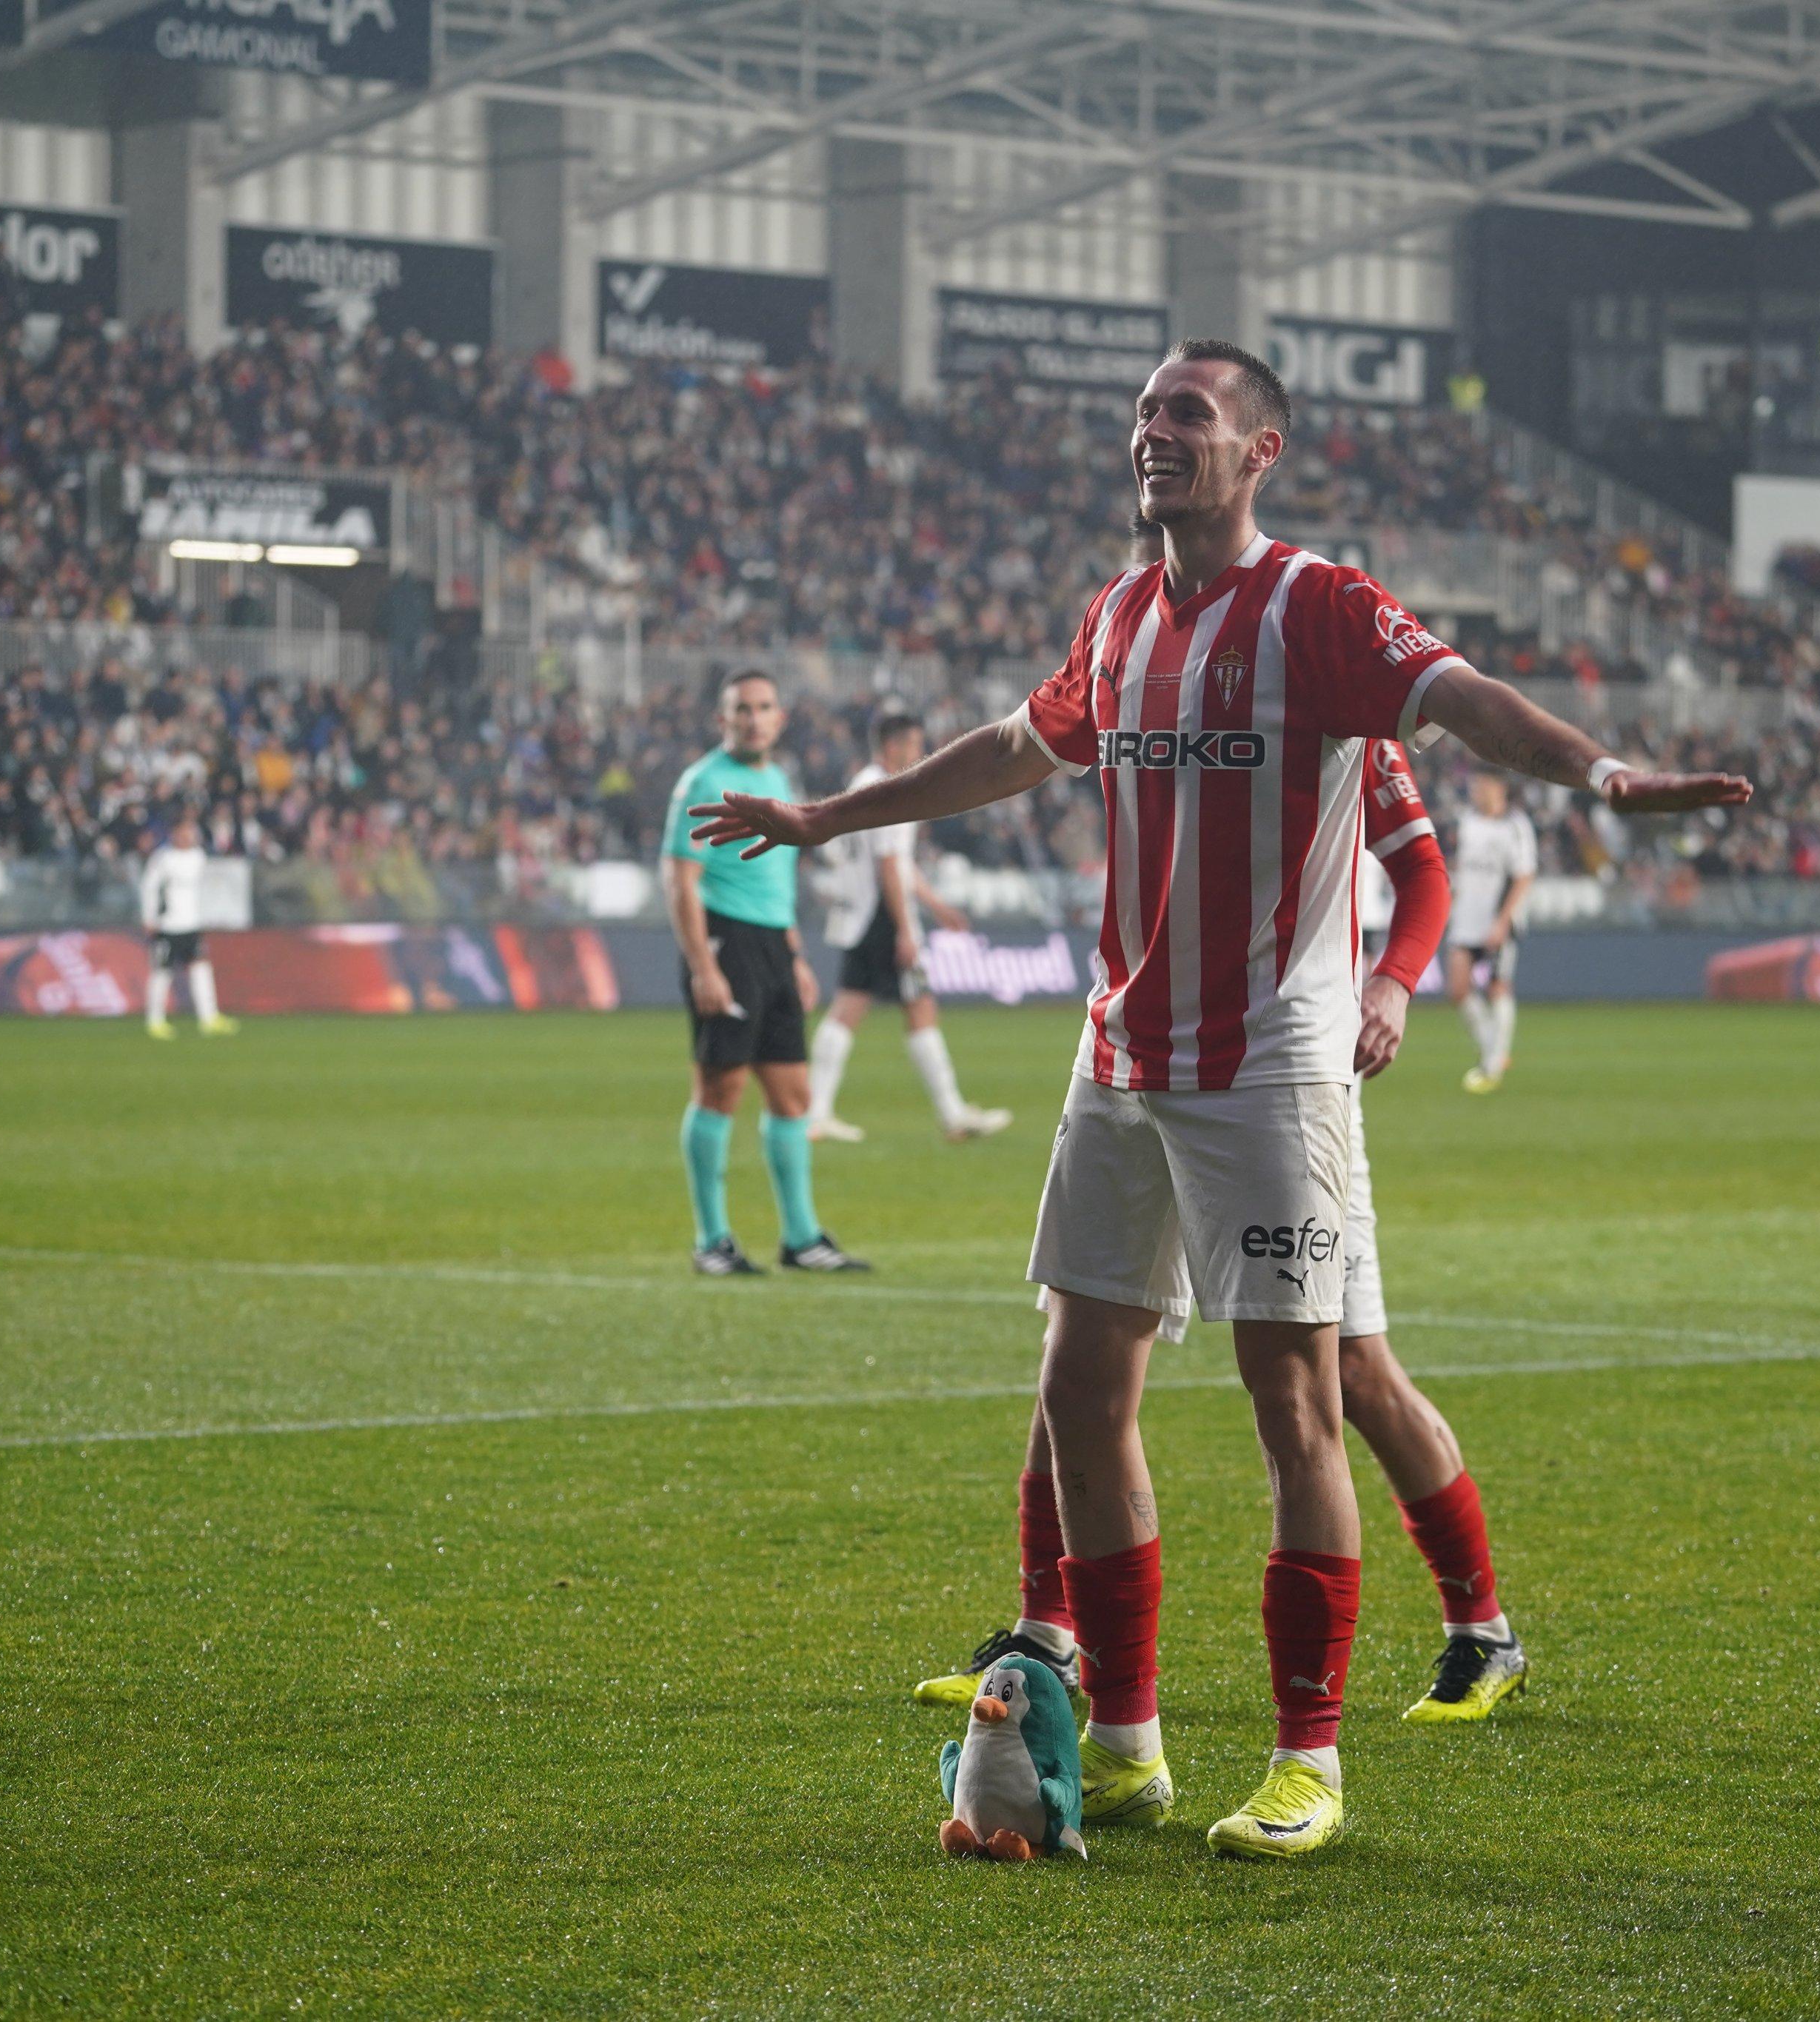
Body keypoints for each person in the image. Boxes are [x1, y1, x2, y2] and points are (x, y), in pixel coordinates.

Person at [691, 338, 1747, 1859]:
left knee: (1301, 1397)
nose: (1151, 434)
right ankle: (1124, 1743)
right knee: (1076, 1384)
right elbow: (1006, 747)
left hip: (1266, 1059)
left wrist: (1604, 775)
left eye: (1184, 414)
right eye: (1140, 414)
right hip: (1119, 1049)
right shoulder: (1118, 617)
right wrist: (822, 814)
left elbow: (1461, 701)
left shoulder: (1316, 608)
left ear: (1258, 451)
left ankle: (1307, 1758)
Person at [912, 738, 1530, 1740]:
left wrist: (1396, 978)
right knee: (1080, 1351)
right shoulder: (1148, 660)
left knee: (1349, 1369)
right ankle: (1049, 1631)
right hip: (1146, 1059)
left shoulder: (1321, 675)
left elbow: (1420, 866)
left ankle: (1481, 1622)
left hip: (1287, 1074)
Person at [662, 670, 868, 1276]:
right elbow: (681, 880)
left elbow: (778, 879)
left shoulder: (777, 778)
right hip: (726, 942)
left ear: (780, 718)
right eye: (741, 709)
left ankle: (801, 1238)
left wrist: (795, 955)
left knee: (792, 1094)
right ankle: (712, 1240)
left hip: (775, 948)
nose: (754, 718)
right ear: (723, 719)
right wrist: (703, 966)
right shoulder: (702, 782)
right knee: (720, 1089)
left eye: (764, 707)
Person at [805, 709, 1011, 1145]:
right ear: (893, 746)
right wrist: (905, 930)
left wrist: (935, 906)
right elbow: (887, 866)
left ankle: (818, 1114)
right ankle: (951, 1114)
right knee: (900, 1009)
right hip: (883, 916)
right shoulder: (884, 789)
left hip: (871, 914)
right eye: (916, 744)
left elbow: (899, 863)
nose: (921, 753)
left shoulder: (868, 784)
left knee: (860, 1007)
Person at [1445, 769, 1539, 1094]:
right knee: (1457, 987)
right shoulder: (1467, 820)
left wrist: (1503, 921)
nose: (1475, 789)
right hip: (1466, 916)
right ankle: (1493, 1049)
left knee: (1498, 987)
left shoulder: (1516, 825)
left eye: (1481, 784)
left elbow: (1524, 875)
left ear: (1497, 787)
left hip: (1499, 919)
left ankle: (1493, 1061)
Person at [139, 814, 235, 1040]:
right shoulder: (163, 858)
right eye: (183, 831)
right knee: (162, 973)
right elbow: (149, 888)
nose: (187, 836)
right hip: (168, 925)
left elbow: (206, 889)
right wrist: (149, 918)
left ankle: (209, 1018)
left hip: (192, 924)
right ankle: (155, 1021)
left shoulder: (198, 856)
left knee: (201, 968)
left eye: (190, 831)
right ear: (174, 833)